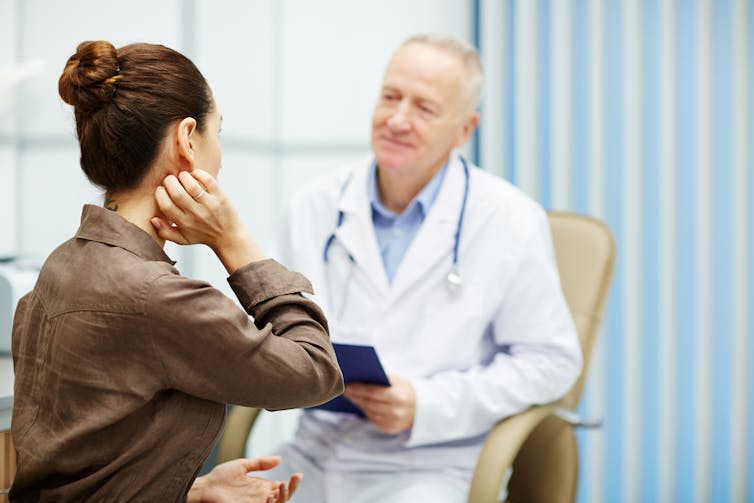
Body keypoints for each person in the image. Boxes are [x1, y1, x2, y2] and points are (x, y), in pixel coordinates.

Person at [9, 40, 344, 502]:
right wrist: (235, 244)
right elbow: (315, 371)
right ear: (188, 140)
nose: (220, 157)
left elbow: (83, 470)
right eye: (217, 133)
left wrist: (191, 491)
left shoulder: (61, 266)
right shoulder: (157, 298)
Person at [270, 33, 583, 502]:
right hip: (313, 453)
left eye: (424, 108)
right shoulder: (314, 205)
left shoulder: (510, 220)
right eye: (390, 97)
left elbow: (551, 363)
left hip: (430, 465)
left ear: (464, 129)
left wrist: (428, 404)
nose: (397, 120)